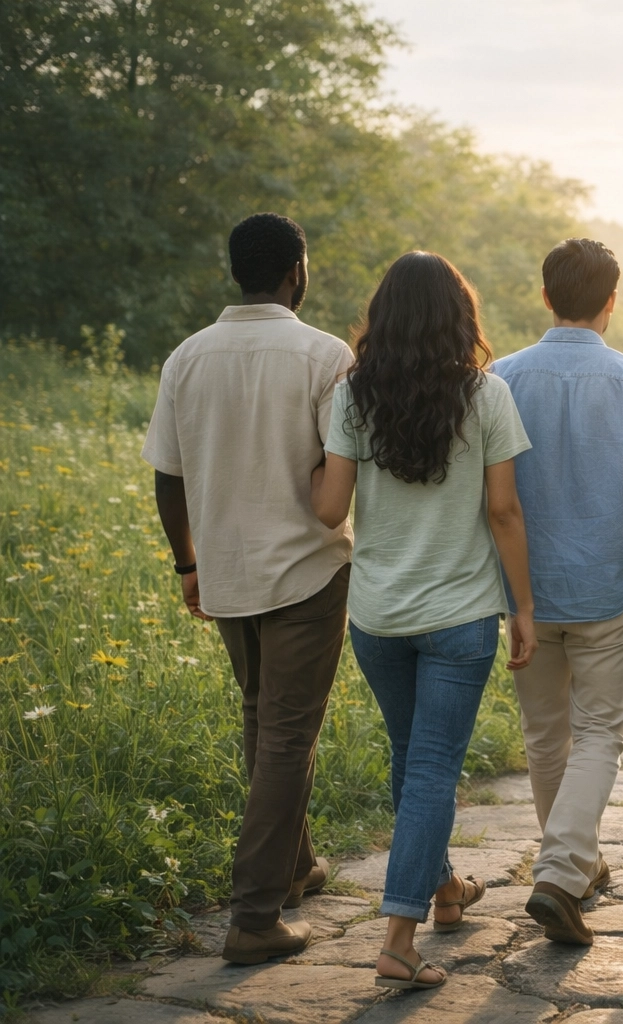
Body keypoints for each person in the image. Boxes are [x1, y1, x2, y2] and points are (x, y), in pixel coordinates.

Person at [310, 251, 538, 990]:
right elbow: (503, 511)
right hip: (460, 614)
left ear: (383, 316)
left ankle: (443, 892)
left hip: (377, 616)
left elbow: (328, 510)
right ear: (458, 315)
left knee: (413, 757)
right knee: (432, 765)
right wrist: (524, 607)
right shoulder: (487, 395)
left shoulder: (352, 396)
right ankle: (399, 940)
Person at [144, 213, 353, 964]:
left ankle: (294, 868)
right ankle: (255, 916)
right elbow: (341, 472)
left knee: (264, 718)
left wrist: (188, 564)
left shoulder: (187, 357)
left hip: (227, 569)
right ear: (298, 269)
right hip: (307, 568)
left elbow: (167, 474)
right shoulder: (325, 356)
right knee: (289, 733)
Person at [489, 238, 623, 944]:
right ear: (612, 301)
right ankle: (563, 870)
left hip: (526, 592)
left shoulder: (500, 378)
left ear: (544, 296)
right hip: (607, 586)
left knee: (544, 737)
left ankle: (574, 862)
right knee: (598, 733)